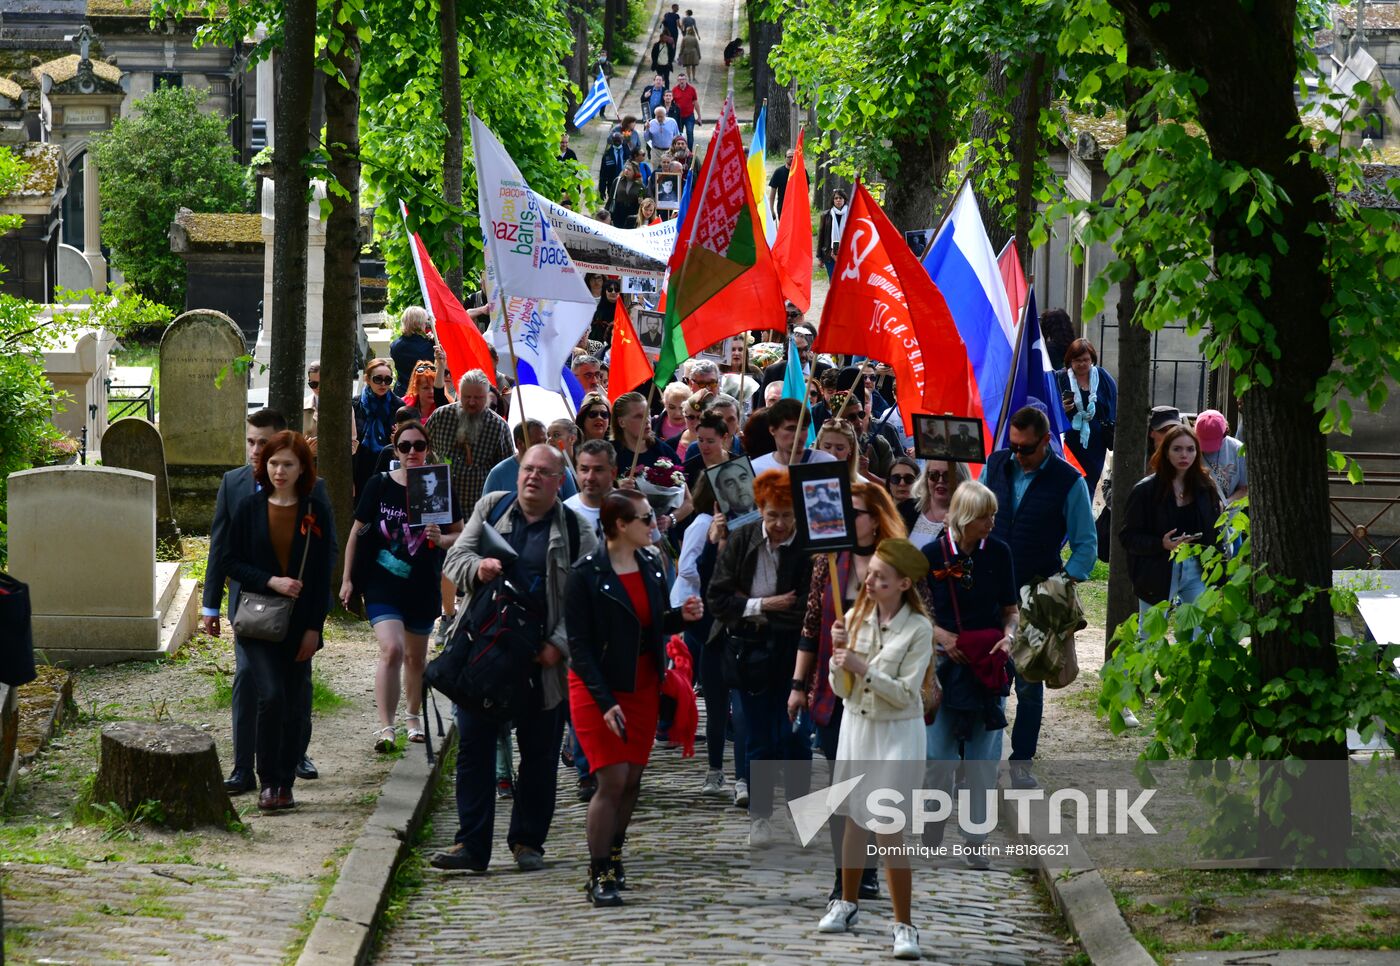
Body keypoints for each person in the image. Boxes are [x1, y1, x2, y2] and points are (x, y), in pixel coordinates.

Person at [430, 445, 599, 872]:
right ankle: (471, 845)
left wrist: (558, 645)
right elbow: (456, 557)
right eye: (528, 469)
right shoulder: (493, 506)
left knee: (539, 755)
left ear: (559, 482)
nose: (533, 477)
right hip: (484, 652)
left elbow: (588, 602)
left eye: (544, 472)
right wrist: (478, 567)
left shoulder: (578, 530)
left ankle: (527, 842)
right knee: (474, 748)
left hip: (541, 660)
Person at [567, 490, 704, 904]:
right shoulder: (585, 574)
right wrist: (605, 701)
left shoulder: (650, 564)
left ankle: (614, 852)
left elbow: (651, 623)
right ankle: (599, 872)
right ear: (620, 525)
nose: (654, 523)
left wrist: (681, 618)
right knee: (610, 779)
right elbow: (579, 647)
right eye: (646, 518)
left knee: (631, 780)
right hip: (597, 688)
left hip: (642, 684)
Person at [817, 539, 934, 960]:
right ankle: (846, 903)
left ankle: (904, 925)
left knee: (887, 826)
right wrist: (837, 659)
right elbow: (841, 689)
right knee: (853, 818)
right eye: (870, 574)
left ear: (903, 584)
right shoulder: (855, 617)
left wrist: (861, 666)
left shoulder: (918, 630)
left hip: (897, 733)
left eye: (880, 577)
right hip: (858, 726)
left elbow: (904, 694)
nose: (869, 582)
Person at [792, 483, 906, 902]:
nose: (844, 518)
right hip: (833, 690)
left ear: (874, 519)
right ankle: (846, 877)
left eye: (853, 512)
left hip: (880, 692)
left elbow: (919, 623)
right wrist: (798, 685)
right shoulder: (829, 561)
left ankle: (868, 868)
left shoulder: (897, 562)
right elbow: (810, 626)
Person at [205, 409, 324, 792]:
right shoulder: (234, 484)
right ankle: (244, 767)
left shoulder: (314, 493)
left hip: (296, 610)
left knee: (296, 684)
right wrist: (210, 605)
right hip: (250, 608)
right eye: (251, 442)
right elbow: (221, 548)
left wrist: (315, 621)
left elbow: (325, 559)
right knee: (247, 679)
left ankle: (295, 753)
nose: (256, 450)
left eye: (264, 443)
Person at [979, 406, 1097, 786]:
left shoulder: (1069, 481)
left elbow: (1085, 546)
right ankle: (980, 762)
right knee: (986, 679)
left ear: (1046, 441)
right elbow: (974, 518)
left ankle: (1021, 765)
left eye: (1025, 448)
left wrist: (1058, 586)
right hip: (990, 591)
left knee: (1029, 686)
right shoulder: (995, 465)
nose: (1017, 455)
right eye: (1012, 446)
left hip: (1037, 596)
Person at [224, 432, 336, 811]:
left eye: (287, 464)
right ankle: (267, 781)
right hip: (257, 620)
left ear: (302, 467)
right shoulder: (249, 508)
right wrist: (270, 580)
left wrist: (314, 628)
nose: (279, 471)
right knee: (270, 696)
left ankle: (285, 782)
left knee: (294, 704)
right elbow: (230, 561)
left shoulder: (315, 510)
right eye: (273, 463)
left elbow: (321, 573)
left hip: (300, 624)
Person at [707, 469, 815, 845]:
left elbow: (805, 607)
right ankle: (761, 816)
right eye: (772, 515)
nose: (780, 524)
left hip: (794, 651)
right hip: (748, 651)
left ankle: (802, 815)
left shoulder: (807, 548)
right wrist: (765, 604)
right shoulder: (742, 540)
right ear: (760, 510)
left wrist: (749, 603)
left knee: (795, 738)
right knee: (759, 737)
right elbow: (718, 599)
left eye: (787, 515)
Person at [341, 421, 462, 751]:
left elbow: (460, 533)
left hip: (422, 584)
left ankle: (412, 717)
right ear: (396, 450)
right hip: (382, 583)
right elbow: (356, 532)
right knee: (392, 649)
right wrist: (347, 579)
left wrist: (443, 538)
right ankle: (386, 728)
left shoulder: (437, 485)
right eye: (405, 446)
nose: (412, 452)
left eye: (418, 446)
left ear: (427, 449)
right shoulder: (379, 485)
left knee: (415, 658)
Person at [922, 481, 1018, 870]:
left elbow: (1010, 610)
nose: (992, 522)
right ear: (965, 518)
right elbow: (914, 612)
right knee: (937, 755)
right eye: (984, 516)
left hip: (986, 666)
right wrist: (941, 635)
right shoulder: (931, 555)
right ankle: (933, 820)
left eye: (993, 514)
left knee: (983, 760)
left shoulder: (999, 552)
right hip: (942, 665)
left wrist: (1009, 638)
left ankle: (976, 839)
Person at [1119, 423, 1224, 629]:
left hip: (1197, 567)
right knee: (1150, 635)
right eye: (1177, 449)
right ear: (1166, 452)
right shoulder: (1145, 491)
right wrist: (1161, 544)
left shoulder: (1206, 487)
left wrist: (1220, 576)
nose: (1184, 455)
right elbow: (1128, 537)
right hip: (1158, 569)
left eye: (1190, 449)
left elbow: (1215, 533)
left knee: (1203, 631)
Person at [424, 370, 514, 521]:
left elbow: (506, 472)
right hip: (440, 509)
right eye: (467, 397)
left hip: (477, 513)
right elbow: (422, 451)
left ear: (487, 397)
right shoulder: (440, 417)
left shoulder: (498, 427)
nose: (472, 402)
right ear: (459, 394)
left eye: (478, 398)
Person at [1055, 338, 1118, 496]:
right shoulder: (1060, 378)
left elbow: (1113, 404)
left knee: (1089, 484)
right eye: (1077, 360)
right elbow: (1050, 408)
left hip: (1096, 444)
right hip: (1069, 442)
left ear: (1092, 359)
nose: (1082, 364)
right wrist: (1061, 409)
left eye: (1086, 360)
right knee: (1070, 484)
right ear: (1070, 360)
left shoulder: (1102, 377)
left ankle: (1085, 507)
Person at [483, 419, 579, 500]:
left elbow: (574, 508)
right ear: (519, 444)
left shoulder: (561, 470)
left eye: (544, 441)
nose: (543, 446)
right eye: (537, 442)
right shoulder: (498, 474)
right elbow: (486, 512)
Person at [353, 357, 405, 496]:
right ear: (367, 379)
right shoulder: (355, 405)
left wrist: (398, 439)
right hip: (360, 469)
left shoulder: (399, 406)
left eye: (387, 380)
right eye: (378, 379)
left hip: (389, 467)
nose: (383, 384)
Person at [750, 398, 837, 476]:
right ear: (772, 430)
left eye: (803, 428)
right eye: (791, 429)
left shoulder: (826, 463)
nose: (798, 435)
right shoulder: (756, 469)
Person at [1193, 409, 1248, 506]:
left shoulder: (1237, 449)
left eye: (1213, 442)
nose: (1209, 449)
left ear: (1225, 433)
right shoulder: (1190, 450)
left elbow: (1244, 489)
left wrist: (1225, 504)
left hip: (1229, 510)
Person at [907, 460, 966, 544]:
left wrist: (959, 534)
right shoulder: (907, 507)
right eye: (934, 475)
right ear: (926, 479)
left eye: (947, 475)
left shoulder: (970, 518)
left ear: (960, 479)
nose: (940, 480)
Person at [390, 306, 436, 396]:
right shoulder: (428, 346)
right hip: (420, 393)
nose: (426, 324)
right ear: (419, 324)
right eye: (425, 322)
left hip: (401, 391)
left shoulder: (395, 345)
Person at [402, 350, 451, 421]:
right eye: (426, 388)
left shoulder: (447, 406)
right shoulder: (403, 405)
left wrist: (441, 365)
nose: (431, 391)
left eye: (434, 387)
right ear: (416, 388)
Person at [816, 418, 864, 482]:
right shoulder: (804, 480)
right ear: (819, 446)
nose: (832, 454)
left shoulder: (862, 485)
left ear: (850, 449)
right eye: (827, 447)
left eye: (840, 448)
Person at [818, 190, 849, 278]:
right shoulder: (826, 215)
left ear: (844, 200)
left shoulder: (850, 214)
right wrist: (820, 257)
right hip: (830, 253)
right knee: (833, 280)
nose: (838, 200)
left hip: (846, 253)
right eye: (836, 198)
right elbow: (821, 237)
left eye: (840, 198)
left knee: (844, 280)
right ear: (833, 200)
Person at [885, 456, 921, 530]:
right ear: (889, 484)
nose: (902, 483)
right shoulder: (879, 512)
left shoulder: (926, 514)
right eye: (896, 478)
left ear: (918, 483)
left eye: (909, 478)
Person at [671, 73, 701, 149]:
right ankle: (678, 150)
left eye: (683, 79)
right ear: (678, 80)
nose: (681, 81)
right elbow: (671, 103)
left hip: (689, 116)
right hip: (678, 117)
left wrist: (699, 116)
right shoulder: (674, 90)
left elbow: (695, 102)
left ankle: (689, 151)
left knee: (690, 133)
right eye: (680, 80)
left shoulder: (692, 89)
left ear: (686, 80)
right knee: (678, 135)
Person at [767, 148, 796, 224]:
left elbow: (806, 190)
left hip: (797, 207)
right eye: (789, 157)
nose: (791, 158)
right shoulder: (778, 172)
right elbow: (773, 192)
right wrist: (771, 209)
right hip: (783, 207)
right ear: (785, 158)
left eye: (793, 156)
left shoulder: (801, 171)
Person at [599, 132, 629, 204]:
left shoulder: (627, 152)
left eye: (619, 141)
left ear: (622, 140)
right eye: (615, 141)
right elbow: (603, 174)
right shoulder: (607, 155)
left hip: (626, 183)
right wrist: (602, 190)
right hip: (612, 184)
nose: (617, 143)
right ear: (612, 141)